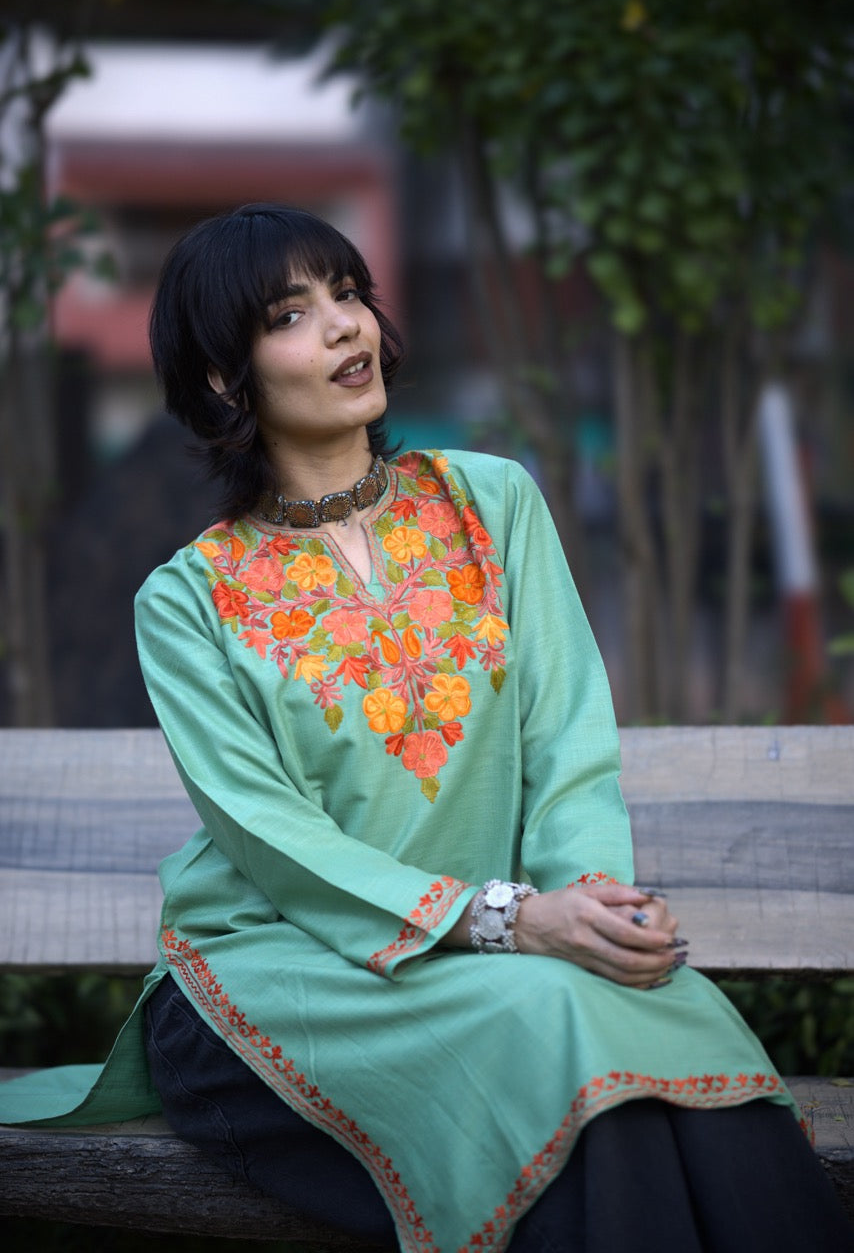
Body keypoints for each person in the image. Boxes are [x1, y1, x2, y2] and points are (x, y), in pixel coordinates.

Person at [1, 202, 850, 1253]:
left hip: (486, 970)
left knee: (670, 1014)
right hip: (274, 977)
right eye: (292, 312)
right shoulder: (188, 600)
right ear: (226, 376)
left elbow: (565, 739)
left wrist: (582, 896)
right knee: (552, 1029)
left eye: (348, 293)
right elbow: (275, 839)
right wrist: (510, 920)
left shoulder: (490, 502)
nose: (345, 326)